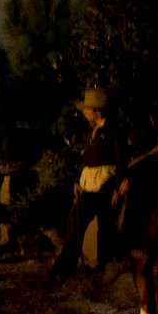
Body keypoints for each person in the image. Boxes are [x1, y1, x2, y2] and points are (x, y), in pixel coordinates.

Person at [52, 88, 124, 277]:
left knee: (105, 227)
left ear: (97, 111)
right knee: (76, 222)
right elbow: (85, 161)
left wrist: (117, 188)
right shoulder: (91, 131)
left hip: (106, 185)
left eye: (87, 109)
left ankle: (104, 266)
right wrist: (77, 181)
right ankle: (65, 267)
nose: (84, 112)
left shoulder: (113, 132)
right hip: (88, 185)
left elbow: (121, 161)